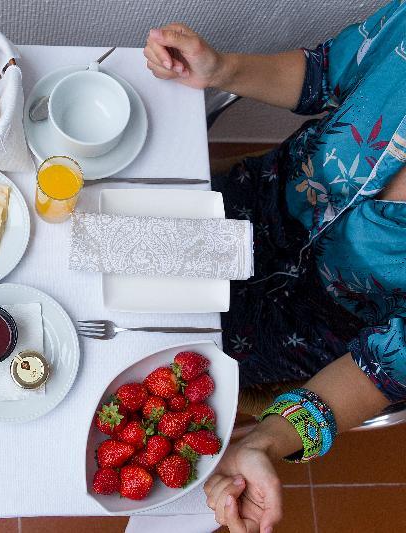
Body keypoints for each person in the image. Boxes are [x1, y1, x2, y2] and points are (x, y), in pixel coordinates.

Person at [143, 2, 406, 531]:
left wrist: (264, 441)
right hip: (251, 199)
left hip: (297, 327)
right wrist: (222, 68)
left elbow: (386, 367)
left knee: (143, 368)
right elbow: (325, 72)